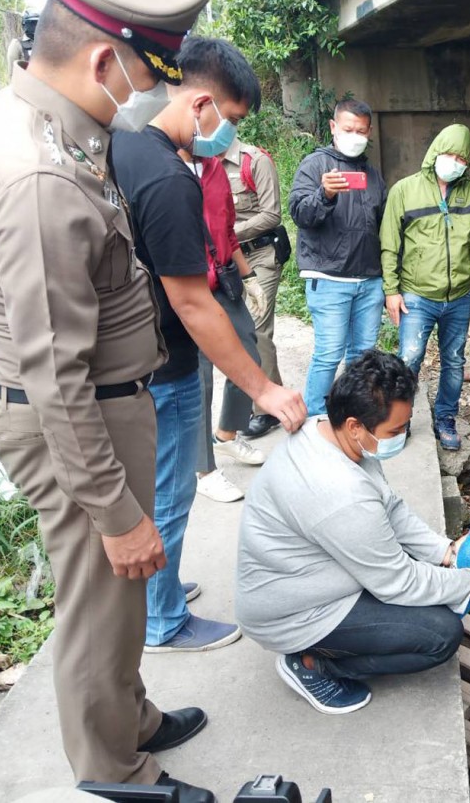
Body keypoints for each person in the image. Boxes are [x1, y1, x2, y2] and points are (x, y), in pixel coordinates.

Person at [0, 0, 216, 799]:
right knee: (102, 597)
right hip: (79, 420)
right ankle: (115, 769)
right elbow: (55, 374)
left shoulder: (35, 121)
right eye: (144, 77)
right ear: (104, 62)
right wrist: (114, 510)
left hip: (99, 405)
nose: (143, 98)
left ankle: (127, 714)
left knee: (117, 602)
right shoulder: (37, 175)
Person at [110, 35, 306, 654]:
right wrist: (264, 389)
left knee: (159, 490)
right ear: (201, 104)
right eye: (232, 119)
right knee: (170, 493)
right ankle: (164, 622)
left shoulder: (126, 149)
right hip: (164, 365)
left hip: (139, 356)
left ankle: (159, 593)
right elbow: (193, 303)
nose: (229, 134)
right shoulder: (170, 179)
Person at [235, 350, 470, 714]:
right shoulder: (340, 495)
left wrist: (446, 551)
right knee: (441, 635)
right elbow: (397, 582)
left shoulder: (325, 430)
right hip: (293, 613)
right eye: (396, 431)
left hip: (306, 575)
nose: (401, 437)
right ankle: (312, 666)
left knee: (428, 574)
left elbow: (390, 507)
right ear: (356, 426)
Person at [380, 124, 470, 450]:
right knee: (409, 358)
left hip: (460, 295)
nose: (455, 162)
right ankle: (399, 419)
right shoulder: (404, 191)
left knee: (454, 361)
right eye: (450, 154)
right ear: (436, 151)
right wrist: (391, 291)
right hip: (417, 294)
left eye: (461, 158)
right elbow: (389, 244)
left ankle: (445, 418)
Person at [288, 98, 387, 417]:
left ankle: (351, 412)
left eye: (361, 130)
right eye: (348, 129)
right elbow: (300, 214)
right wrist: (325, 194)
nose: (354, 135)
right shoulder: (315, 166)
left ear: (369, 132)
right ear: (333, 127)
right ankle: (315, 418)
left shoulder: (372, 174)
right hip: (329, 280)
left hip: (369, 281)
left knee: (362, 355)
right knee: (329, 353)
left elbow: (383, 224)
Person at [194, 148, 267, 504]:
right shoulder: (163, 167)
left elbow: (227, 232)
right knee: (198, 377)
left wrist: (248, 276)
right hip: (187, 286)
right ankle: (203, 469)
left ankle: (225, 434)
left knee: (248, 353)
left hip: (223, 280)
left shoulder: (213, 169)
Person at [223, 136, 286, 439]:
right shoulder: (202, 164)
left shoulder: (254, 160)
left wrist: (229, 233)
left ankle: (268, 410)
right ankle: (262, 396)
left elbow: (272, 214)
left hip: (261, 255)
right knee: (235, 330)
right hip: (227, 260)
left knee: (257, 330)